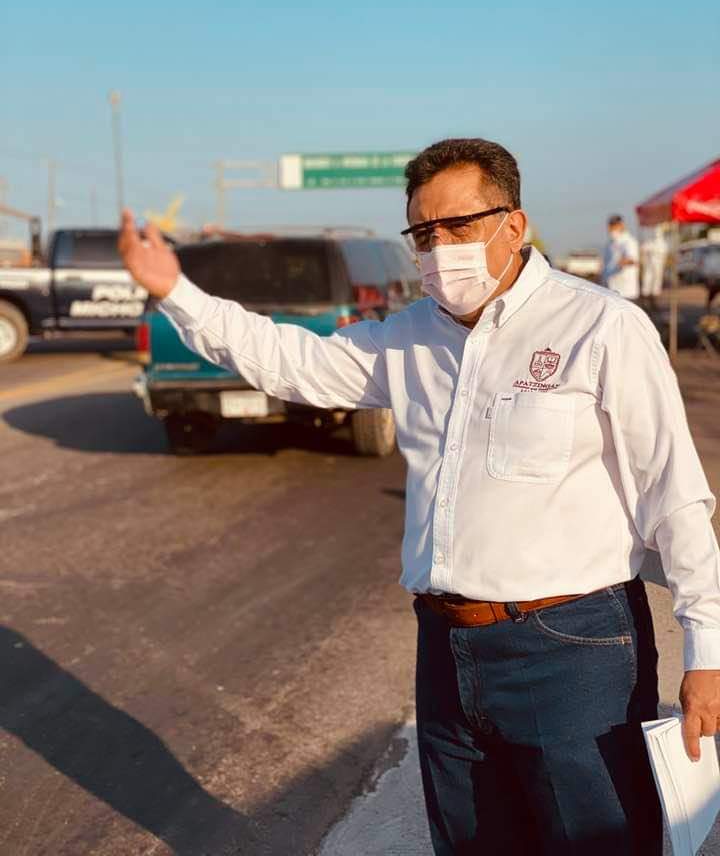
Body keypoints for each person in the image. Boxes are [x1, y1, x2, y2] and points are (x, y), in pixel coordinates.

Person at [120, 138, 720, 855]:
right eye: (424, 234)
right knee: (469, 842)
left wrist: (706, 653)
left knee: (593, 841)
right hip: (447, 648)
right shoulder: (408, 338)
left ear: (514, 225)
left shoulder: (599, 326)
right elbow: (291, 361)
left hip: (573, 651)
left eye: (459, 227)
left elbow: (675, 494)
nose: (440, 249)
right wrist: (174, 292)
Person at [602, 214, 640, 300]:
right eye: (610, 226)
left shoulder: (629, 242)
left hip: (626, 293)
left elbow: (632, 259)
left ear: (621, 225)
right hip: (611, 290)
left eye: (613, 226)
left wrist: (625, 261)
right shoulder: (610, 244)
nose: (610, 229)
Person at [640, 225, 668, 311]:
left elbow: (664, 251)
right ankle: (646, 300)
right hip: (649, 267)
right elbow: (643, 249)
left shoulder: (662, 243)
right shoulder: (649, 242)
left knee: (656, 280)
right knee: (648, 278)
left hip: (657, 266)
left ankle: (653, 300)